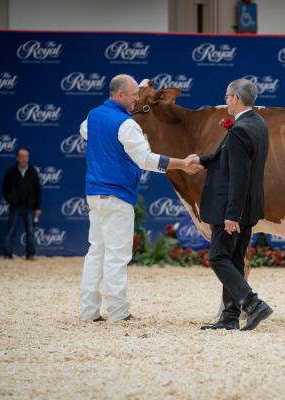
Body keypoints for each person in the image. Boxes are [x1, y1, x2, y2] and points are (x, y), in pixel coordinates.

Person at [79, 74, 203, 323]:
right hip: (117, 195)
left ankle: (88, 311)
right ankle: (118, 311)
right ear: (120, 95)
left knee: (96, 252)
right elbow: (146, 159)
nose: (137, 98)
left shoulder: (92, 117)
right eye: (134, 94)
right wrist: (182, 164)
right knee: (117, 255)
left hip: (94, 194)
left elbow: (84, 133)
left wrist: (110, 149)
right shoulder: (127, 125)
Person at [199, 78, 272, 331]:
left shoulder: (241, 129)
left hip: (231, 208)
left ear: (236, 99)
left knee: (218, 257)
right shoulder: (258, 123)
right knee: (235, 259)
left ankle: (253, 303)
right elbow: (230, 160)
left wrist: (232, 214)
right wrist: (201, 160)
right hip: (249, 206)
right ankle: (230, 316)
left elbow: (239, 176)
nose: (225, 100)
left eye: (227, 96)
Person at [2, 147, 41, 260]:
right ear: (17, 158)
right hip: (15, 207)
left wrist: (37, 207)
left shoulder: (33, 171)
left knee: (30, 231)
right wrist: (11, 200)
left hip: (29, 207)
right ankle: (7, 254)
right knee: (11, 230)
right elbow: (4, 189)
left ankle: (31, 254)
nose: (24, 159)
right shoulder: (10, 171)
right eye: (22, 156)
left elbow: (38, 190)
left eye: (26, 156)